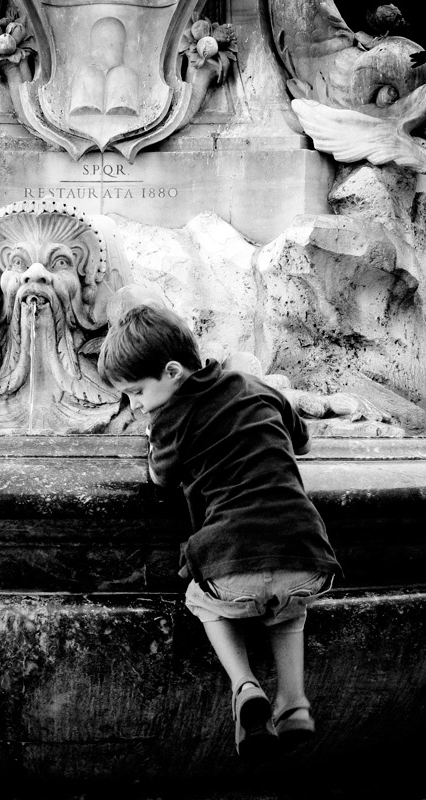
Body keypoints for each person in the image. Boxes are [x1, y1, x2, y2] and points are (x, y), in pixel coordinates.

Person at [97, 304, 342, 759]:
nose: (134, 405)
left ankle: (245, 686)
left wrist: (153, 433)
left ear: (172, 372)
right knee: (288, 607)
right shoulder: (256, 386)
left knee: (202, 601)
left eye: (136, 392)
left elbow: (161, 477)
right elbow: (303, 441)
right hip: (307, 554)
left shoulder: (171, 419)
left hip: (232, 564)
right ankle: (295, 703)